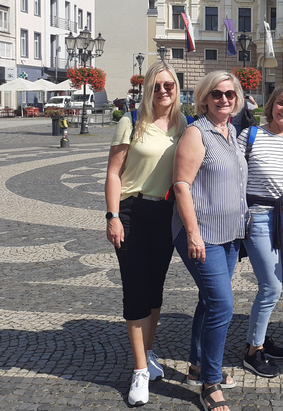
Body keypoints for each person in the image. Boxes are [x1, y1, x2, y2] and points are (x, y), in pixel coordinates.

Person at [104, 62, 187, 406]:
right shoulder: (130, 122)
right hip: (132, 212)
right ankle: (139, 370)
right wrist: (112, 216)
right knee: (135, 289)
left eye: (169, 85)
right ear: (147, 89)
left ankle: (149, 352)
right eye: (157, 86)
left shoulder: (183, 125)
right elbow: (113, 173)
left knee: (155, 289)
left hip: (165, 214)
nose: (163, 91)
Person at [171, 71, 247, 411]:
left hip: (229, 234)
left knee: (208, 300)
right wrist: (192, 233)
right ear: (204, 98)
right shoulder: (195, 132)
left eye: (229, 94)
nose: (224, 99)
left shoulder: (231, 132)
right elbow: (182, 186)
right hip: (203, 235)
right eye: (216, 94)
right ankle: (210, 384)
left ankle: (197, 365)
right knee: (222, 304)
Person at [236, 83, 283, 378]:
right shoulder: (250, 135)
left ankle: (260, 337)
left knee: (275, 284)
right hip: (259, 217)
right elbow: (232, 174)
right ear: (271, 105)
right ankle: (253, 351)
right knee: (271, 287)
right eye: (281, 103)